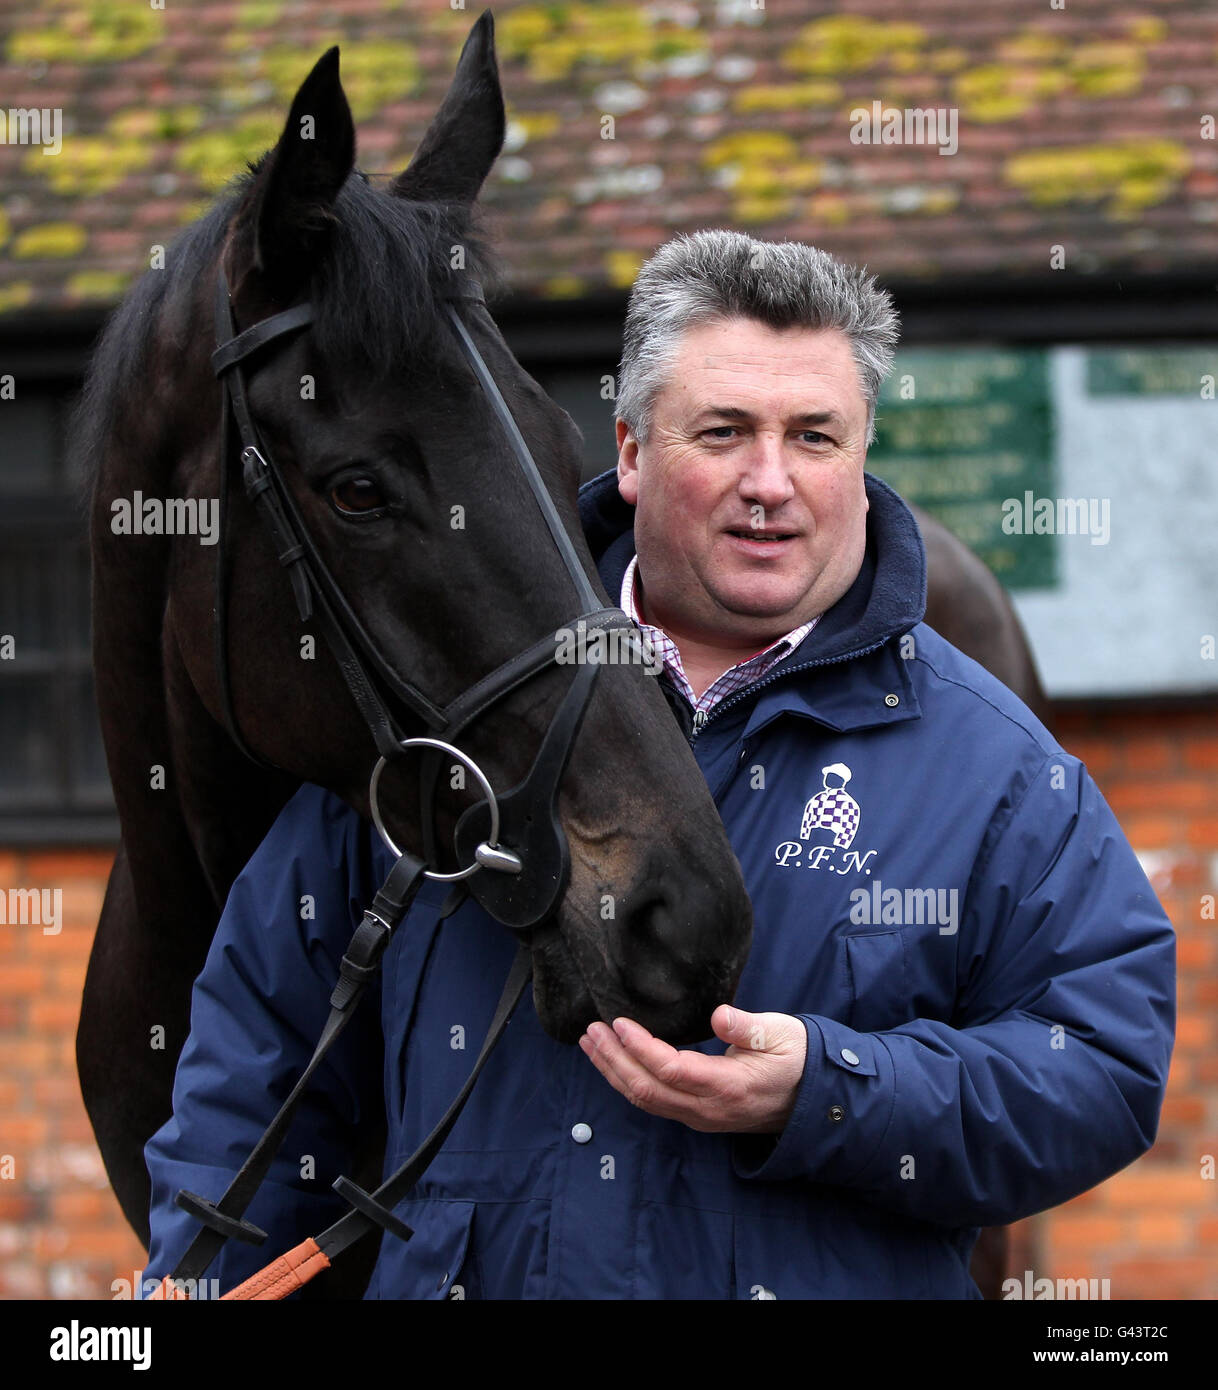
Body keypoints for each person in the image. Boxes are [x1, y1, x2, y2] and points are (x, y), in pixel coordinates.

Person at [142, 230, 1175, 1299]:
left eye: (815, 437)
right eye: (723, 431)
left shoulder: (994, 767)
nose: (769, 483)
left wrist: (828, 1089)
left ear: (863, 458)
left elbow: (1100, 1068)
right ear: (631, 451)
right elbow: (259, 1056)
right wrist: (200, 1276)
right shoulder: (442, 703)